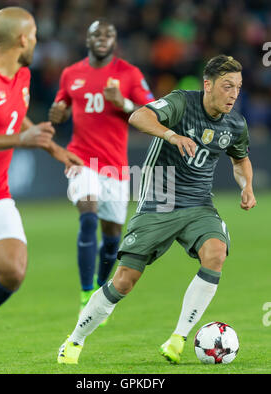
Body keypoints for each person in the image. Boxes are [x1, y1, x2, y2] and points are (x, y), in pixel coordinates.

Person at [57, 54, 257, 365]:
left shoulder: (235, 123)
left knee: (216, 252)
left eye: (238, 87)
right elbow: (138, 116)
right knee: (124, 280)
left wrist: (247, 187)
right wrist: (170, 134)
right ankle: (74, 341)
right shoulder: (181, 102)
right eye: (227, 86)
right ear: (208, 85)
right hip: (159, 201)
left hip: (199, 204)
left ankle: (178, 339)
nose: (233, 94)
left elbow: (240, 159)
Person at [0, 7, 83, 348]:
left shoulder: (21, 75)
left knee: (13, 270)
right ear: (22, 39)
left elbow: (16, 118)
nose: (36, 41)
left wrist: (53, 149)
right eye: (33, 35)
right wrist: (20, 142)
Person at [49, 19, 154, 317]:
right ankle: (84, 292)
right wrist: (56, 112)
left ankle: (97, 292)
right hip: (81, 160)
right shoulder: (71, 74)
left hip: (115, 167)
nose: (102, 38)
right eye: (96, 33)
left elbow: (153, 112)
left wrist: (124, 103)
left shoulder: (129, 74)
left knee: (112, 237)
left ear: (114, 40)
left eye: (108, 34)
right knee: (88, 215)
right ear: (88, 39)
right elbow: (60, 108)